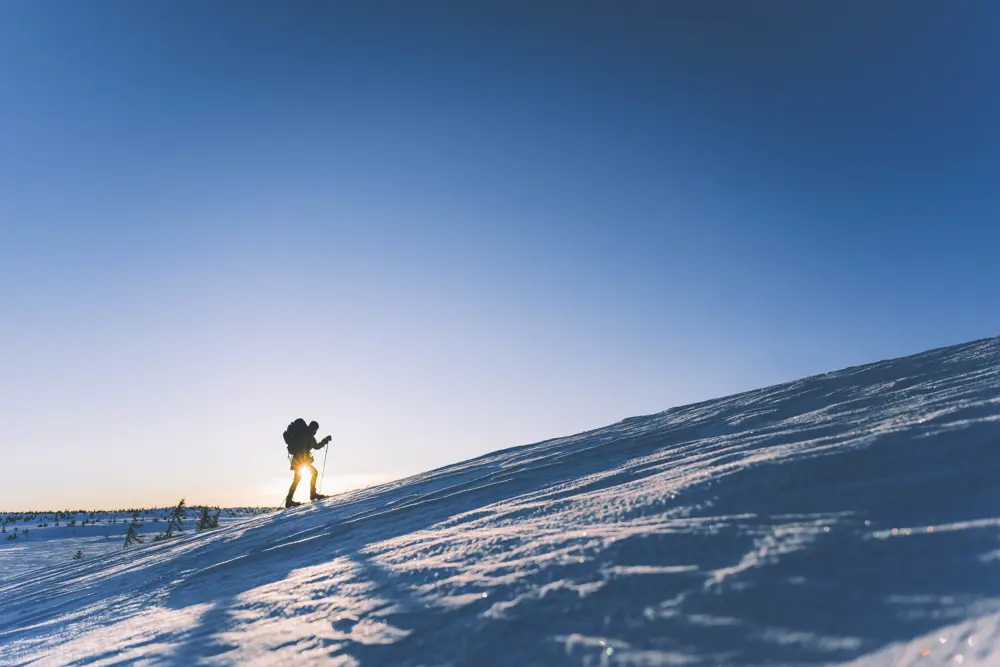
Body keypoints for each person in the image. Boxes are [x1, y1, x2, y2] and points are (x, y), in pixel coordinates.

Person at [285, 420, 332, 508]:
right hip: (301, 461)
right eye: (316, 430)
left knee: (297, 479)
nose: (315, 432)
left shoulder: (303, 434)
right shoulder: (309, 436)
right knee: (313, 473)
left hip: (297, 460)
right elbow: (317, 446)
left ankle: (289, 500)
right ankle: (312, 494)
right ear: (314, 428)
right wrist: (326, 440)